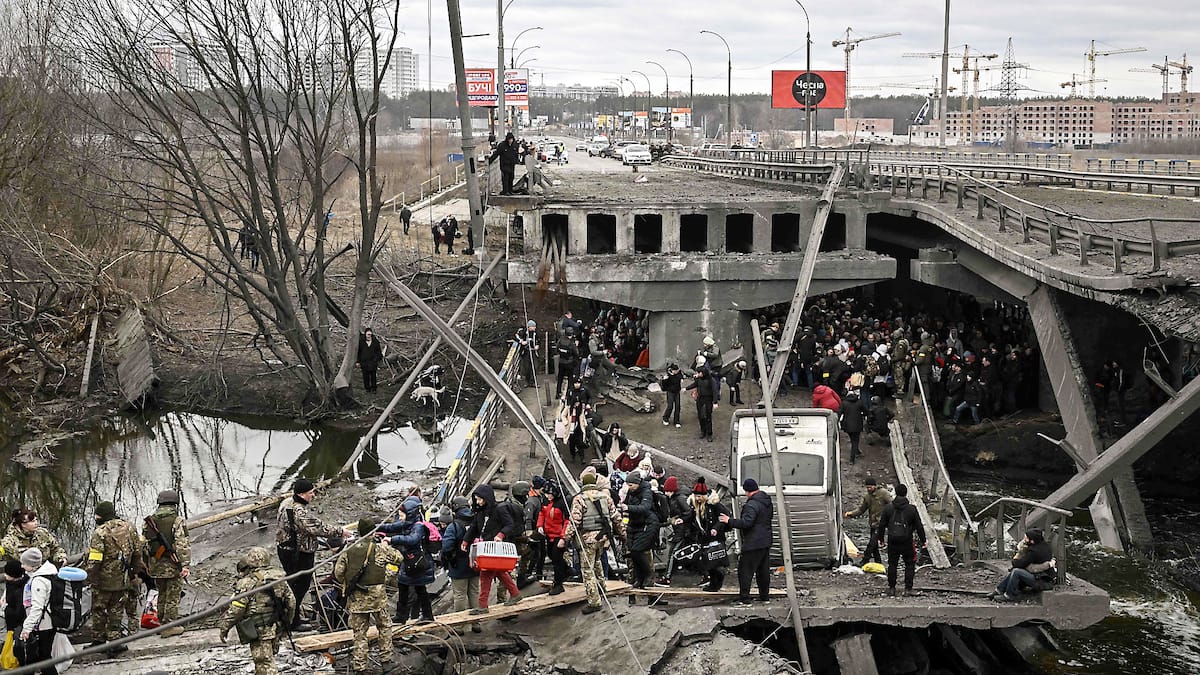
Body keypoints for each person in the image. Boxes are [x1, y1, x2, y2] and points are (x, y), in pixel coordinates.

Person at [276, 479, 349, 630]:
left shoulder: (286, 502)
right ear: (302, 494)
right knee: (299, 587)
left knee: (293, 584)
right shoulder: (299, 511)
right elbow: (317, 527)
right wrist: (341, 531)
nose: (313, 495)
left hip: (285, 549)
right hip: (298, 554)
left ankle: (293, 616)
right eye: (311, 493)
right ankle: (293, 622)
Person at [335, 519, 405, 674]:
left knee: (359, 633)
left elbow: (338, 573)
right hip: (378, 598)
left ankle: (360, 667)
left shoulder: (349, 549)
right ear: (373, 532)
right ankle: (386, 661)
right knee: (385, 626)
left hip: (357, 598)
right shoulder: (379, 548)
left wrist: (349, 583)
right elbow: (399, 558)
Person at [216, 547, 296, 675]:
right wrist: (287, 624)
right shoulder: (279, 578)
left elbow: (237, 609)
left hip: (259, 629)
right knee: (268, 659)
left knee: (264, 663)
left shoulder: (247, 582)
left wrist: (224, 627)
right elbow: (291, 603)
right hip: (276, 626)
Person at [87, 500, 143, 653]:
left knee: (99, 610)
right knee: (116, 610)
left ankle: (98, 641)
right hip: (123, 577)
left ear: (101, 516)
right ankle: (115, 642)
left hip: (103, 580)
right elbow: (137, 552)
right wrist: (134, 572)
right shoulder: (129, 527)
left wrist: (91, 578)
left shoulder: (100, 533)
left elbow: (95, 559)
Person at [566, 472, 625, 615]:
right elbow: (616, 517)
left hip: (588, 539)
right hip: (603, 538)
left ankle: (594, 602)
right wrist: (623, 534)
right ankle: (602, 588)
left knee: (587, 569)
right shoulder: (605, 497)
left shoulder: (579, 498)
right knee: (598, 561)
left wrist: (566, 537)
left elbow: (575, 520)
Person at [462, 485, 522, 614]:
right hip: (488, 547)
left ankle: (483, 605)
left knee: (486, 574)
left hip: (496, 547)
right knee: (499, 572)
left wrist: (501, 535)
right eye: (476, 499)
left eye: (479, 499)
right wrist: (466, 540)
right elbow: (474, 527)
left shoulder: (499, 509)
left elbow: (509, 524)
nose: (478, 502)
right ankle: (515, 593)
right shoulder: (480, 512)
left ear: (486, 498)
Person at [143, 489, 191, 636]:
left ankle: (161, 624)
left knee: (162, 593)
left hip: (155, 565)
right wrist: (185, 565)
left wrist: (148, 564)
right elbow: (182, 545)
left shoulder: (150, 522)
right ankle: (169, 626)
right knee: (173, 596)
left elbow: (144, 544)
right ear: (174, 503)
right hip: (172, 565)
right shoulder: (177, 521)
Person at [719, 479, 773, 606]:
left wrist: (729, 521)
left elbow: (746, 523)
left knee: (745, 571)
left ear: (747, 491)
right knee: (763, 571)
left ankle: (745, 599)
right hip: (765, 541)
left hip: (753, 542)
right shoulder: (766, 501)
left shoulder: (752, 505)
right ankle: (764, 597)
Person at [383, 501, 435, 625]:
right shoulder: (406, 524)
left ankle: (427, 615)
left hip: (417, 563)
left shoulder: (418, 527)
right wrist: (376, 527)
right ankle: (401, 616)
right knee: (403, 587)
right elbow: (391, 527)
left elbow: (412, 539)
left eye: (402, 515)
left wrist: (392, 540)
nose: (400, 518)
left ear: (409, 514)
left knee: (420, 590)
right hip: (408, 563)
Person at [875, 483, 926, 597]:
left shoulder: (888, 508)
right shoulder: (911, 509)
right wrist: (923, 540)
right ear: (906, 493)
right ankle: (908, 589)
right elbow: (919, 526)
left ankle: (892, 588)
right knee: (910, 564)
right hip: (907, 541)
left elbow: (882, 525)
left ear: (896, 493)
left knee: (892, 564)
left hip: (892, 540)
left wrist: (881, 539)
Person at [440, 498, 482, 633]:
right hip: (475, 562)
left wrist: (450, 560)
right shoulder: (477, 521)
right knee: (474, 593)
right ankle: (476, 623)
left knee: (459, 595)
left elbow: (446, 547)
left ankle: (459, 626)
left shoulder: (454, 526)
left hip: (458, 564)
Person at [16, 548, 57, 674]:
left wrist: (27, 628)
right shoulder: (48, 573)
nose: (22, 566)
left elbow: (37, 607)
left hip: (43, 624)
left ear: (32, 565)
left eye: (24, 564)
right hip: (48, 622)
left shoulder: (38, 581)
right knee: (43, 657)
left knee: (43, 658)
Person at [620, 472, 659, 602]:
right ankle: (639, 580)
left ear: (637, 483)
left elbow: (645, 507)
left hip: (647, 525)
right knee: (633, 554)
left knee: (638, 551)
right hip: (634, 526)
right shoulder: (631, 492)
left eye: (631, 485)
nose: (629, 487)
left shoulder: (646, 492)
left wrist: (628, 507)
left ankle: (647, 578)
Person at [989, 528, 1055, 602]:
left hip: (1043, 581)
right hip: (1039, 576)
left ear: (1032, 541)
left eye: (1026, 538)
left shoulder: (1034, 551)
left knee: (1016, 571)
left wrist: (1018, 555)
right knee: (1015, 571)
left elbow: (1019, 564)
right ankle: (999, 590)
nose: (1024, 540)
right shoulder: (1044, 545)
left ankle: (1009, 595)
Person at [843, 478, 893, 566]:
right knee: (874, 546)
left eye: (870, 487)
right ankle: (878, 563)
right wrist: (851, 514)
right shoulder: (867, 497)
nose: (869, 489)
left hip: (881, 524)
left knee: (872, 543)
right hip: (873, 523)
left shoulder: (884, 493)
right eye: (867, 487)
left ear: (875, 486)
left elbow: (893, 505)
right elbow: (861, 510)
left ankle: (865, 560)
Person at [692, 481, 729, 592]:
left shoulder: (715, 505)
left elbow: (724, 517)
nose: (697, 499)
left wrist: (716, 528)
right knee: (708, 563)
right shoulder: (697, 505)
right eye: (696, 496)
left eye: (699, 496)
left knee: (715, 561)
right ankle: (713, 584)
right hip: (705, 537)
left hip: (715, 537)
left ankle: (717, 582)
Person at [658, 476, 695, 586]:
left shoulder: (679, 499)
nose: (666, 494)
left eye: (668, 491)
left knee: (673, 553)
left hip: (682, 530)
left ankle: (667, 577)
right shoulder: (677, 497)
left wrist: (681, 519)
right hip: (681, 530)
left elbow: (688, 512)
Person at [536, 481, 570, 595]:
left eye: (549, 494)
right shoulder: (546, 501)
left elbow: (567, 521)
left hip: (558, 535)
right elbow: (542, 513)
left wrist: (563, 537)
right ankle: (567, 570)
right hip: (548, 534)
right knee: (551, 555)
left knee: (557, 559)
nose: (547, 496)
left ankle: (558, 584)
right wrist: (540, 525)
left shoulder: (562, 503)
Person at [1, 510, 66, 568]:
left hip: (46, 569)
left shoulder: (42, 533)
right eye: (32, 521)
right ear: (23, 524)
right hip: (23, 573)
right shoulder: (8, 541)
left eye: (36, 520)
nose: (36, 523)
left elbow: (55, 549)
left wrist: (61, 558)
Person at [685, 369, 716, 442]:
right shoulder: (699, 379)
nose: (698, 374)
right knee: (701, 416)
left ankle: (709, 434)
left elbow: (715, 390)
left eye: (699, 373)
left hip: (708, 399)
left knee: (708, 416)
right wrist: (686, 388)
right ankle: (703, 431)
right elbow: (694, 384)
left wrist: (715, 402)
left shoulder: (711, 380)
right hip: (700, 399)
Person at [839, 391, 867, 464]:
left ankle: (856, 451)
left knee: (852, 439)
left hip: (847, 425)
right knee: (855, 441)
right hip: (857, 424)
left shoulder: (844, 403)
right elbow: (865, 411)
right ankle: (852, 459)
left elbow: (840, 413)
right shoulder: (859, 402)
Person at [356, 328, 384, 393]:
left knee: (373, 376)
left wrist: (376, 359)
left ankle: (374, 388)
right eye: (368, 334)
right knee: (365, 376)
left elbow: (379, 352)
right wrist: (358, 361)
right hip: (364, 362)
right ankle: (367, 388)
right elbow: (358, 352)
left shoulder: (375, 342)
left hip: (373, 362)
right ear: (365, 334)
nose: (369, 336)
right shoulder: (361, 342)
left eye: (370, 334)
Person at [555, 327, 580, 398]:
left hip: (561, 362)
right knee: (570, 379)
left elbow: (557, 349)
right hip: (569, 362)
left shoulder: (560, 340)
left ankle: (558, 393)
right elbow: (576, 353)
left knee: (560, 378)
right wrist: (576, 345)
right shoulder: (571, 343)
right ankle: (569, 394)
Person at [513, 320, 539, 386]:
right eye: (533, 326)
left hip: (533, 351)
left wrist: (537, 345)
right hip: (526, 351)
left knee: (534, 367)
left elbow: (538, 340)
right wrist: (521, 341)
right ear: (529, 327)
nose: (535, 328)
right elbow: (516, 336)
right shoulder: (524, 332)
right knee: (526, 367)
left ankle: (532, 382)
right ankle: (527, 381)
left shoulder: (536, 333)